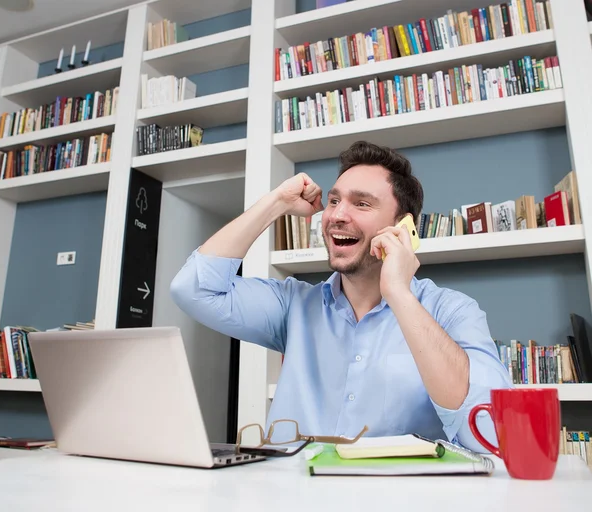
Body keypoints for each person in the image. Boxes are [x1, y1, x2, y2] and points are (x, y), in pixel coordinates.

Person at [170, 140, 513, 452]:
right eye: (334, 201)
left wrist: (398, 294)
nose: (336, 215)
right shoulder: (294, 306)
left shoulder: (453, 312)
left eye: (362, 203)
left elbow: (487, 429)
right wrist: (275, 203)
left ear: (403, 227)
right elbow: (193, 289)